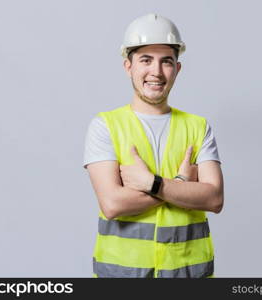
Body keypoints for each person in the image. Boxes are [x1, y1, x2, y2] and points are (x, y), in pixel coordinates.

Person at [83, 13, 224, 278]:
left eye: (166, 62)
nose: (156, 72)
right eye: (146, 60)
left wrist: (152, 183)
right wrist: (182, 184)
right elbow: (113, 203)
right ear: (129, 66)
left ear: (177, 69)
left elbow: (214, 199)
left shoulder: (198, 127)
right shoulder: (105, 126)